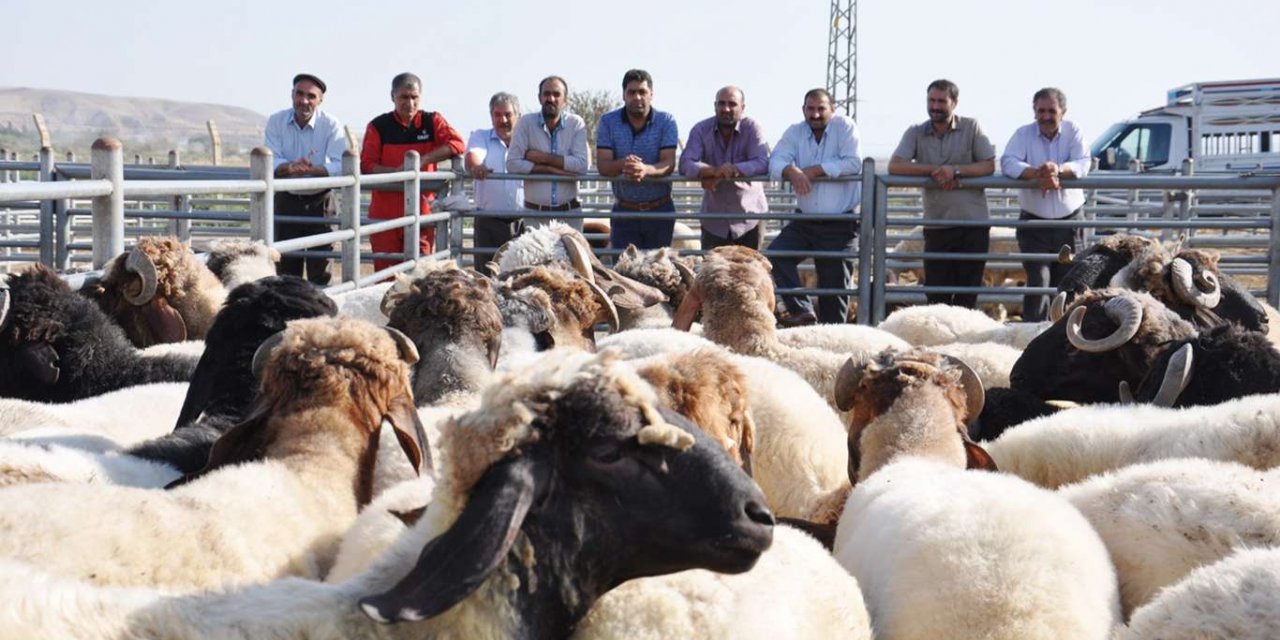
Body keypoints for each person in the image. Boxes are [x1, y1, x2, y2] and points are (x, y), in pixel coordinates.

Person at [888, 79, 996, 309]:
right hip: (937, 224)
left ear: (954, 103)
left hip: (972, 224)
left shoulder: (972, 127)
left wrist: (955, 172)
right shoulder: (916, 132)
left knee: (968, 294)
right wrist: (934, 171)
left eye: (941, 101)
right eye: (931, 100)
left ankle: (965, 342)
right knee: (937, 295)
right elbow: (895, 166)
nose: (935, 106)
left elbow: (988, 165)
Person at [767, 88, 862, 326]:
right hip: (806, 220)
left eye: (821, 109)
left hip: (839, 222)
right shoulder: (795, 132)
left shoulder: (845, 127)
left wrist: (814, 170)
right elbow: (777, 158)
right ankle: (803, 310)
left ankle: (835, 337)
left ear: (833, 109)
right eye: (810, 109)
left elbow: (853, 162)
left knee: (833, 289)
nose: (816, 114)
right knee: (777, 254)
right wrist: (792, 171)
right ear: (803, 110)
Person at [1000, 88, 1090, 321]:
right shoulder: (1023, 134)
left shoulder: (1074, 131)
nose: (1046, 116)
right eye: (1041, 110)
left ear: (1063, 112)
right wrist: (1036, 173)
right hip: (1034, 220)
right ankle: (1033, 335)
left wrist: (1057, 170)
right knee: (1038, 281)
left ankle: (1065, 334)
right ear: (1034, 111)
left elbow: (1083, 163)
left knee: (1069, 280)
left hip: (1069, 220)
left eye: (1051, 111)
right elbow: (1008, 161)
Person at [360, 72, 464, 272]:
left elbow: (457, 143)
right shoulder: (378, 126)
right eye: (404, 97)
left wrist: (423, 160)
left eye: (414, 97)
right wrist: (397, 173)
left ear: (420, 97)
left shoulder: (432, 121)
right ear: (393, 97)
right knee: (385, 275)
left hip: (421, 213)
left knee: (420, 273)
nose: (410, 102)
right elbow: (366, 165)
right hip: (385, 216)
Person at [263, 73, 348, 285]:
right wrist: (289, 167)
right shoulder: (276, 121)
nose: (304, 101)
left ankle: (318, 316)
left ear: (320, 100)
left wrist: (318, 170)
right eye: (299, 94)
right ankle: (289, 316)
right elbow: (268, 159)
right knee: (286, 273)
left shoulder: (331, 125)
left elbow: (340, 165)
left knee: (321, 271)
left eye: (311, 96)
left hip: (321, 202)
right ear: (292, 95)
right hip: (286, 200)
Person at [596, 69, 679, 250]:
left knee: (658, 272)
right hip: (624, 210)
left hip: (659, 209)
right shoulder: (608, 122)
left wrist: (645, 170)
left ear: (651, 94)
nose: (637, 97)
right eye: (632, 92)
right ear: (624, 95)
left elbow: (669, 162)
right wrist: (625, 164)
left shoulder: (666, 121)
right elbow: (603, 165)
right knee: (623, 272)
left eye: (642, 92)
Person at [678, 86, 770, 250]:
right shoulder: (701, 129)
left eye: (732, 104)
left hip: (749, 218)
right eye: (721, 104)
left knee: (750, 273)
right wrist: (713, 171)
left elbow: (762, 162)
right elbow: (685, 162)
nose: (726, 109)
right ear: (715, 106)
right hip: (714, 221)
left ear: (742, 108)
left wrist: (733, 169)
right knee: (713, 273)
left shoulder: (752, 128)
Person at [507, 76, 590, 232]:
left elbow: (581, 166)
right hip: (534, 214)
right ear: (540, 98)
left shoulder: (576, 124)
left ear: (565, 99)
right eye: (546, 94)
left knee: (570, 257)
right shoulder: (526, 123)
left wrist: (542, 158)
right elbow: (512, 164)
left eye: (556, 94)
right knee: (535, 257)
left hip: (569, 215)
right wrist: (550, 170)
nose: (551, 98)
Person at [466, 92, 524, 269]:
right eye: (497, 115)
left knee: (520, 275)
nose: (503, 120)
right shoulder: (481, 136)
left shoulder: (526, 141)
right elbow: (473, 155)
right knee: (486, 275)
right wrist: (476, 167)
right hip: (488, 221)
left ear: (518, 116)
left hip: (522, 221)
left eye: (508, 114)